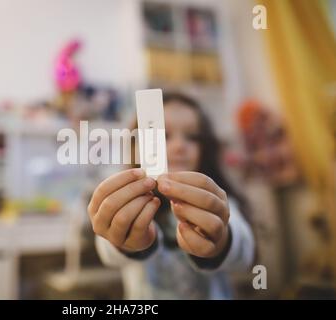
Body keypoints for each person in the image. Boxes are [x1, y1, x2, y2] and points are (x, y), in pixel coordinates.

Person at [87, 92, 255, 299]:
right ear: (137, 146)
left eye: (192, 137)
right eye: (164, 136)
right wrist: (121, 239)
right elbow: (108, 253)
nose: (179, 146)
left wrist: (221, 240)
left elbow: (244, 254)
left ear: (205, 149)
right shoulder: (128, 200)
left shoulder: (216, 200)